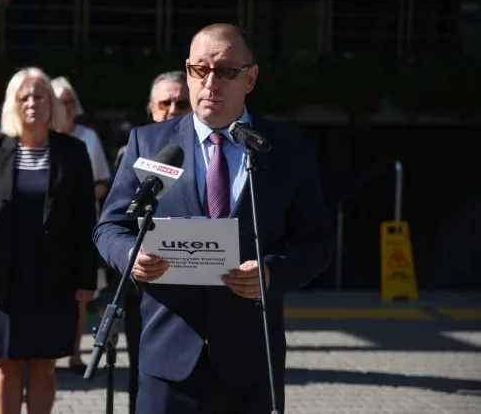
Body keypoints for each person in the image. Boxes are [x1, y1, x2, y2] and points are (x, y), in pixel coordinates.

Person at [94, 23, 332, 414]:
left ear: (250, 78)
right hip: (165, 357)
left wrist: (272, 273)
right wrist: (129, 258)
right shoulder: (150, 143)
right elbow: (110, 226)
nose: (209, 83)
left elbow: (317, 241)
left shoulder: (288, 151)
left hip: (251, 358)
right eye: (198, 69)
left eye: (225, 71)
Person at [0, 67, 98, 414]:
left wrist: (86, 277)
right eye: (25, 97)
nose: (32, 103)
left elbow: (86, 217)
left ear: (51, 103)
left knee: (43, 363)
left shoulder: (73, 151)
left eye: (39, 96)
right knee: (6, 362)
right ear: (12, 104)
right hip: (1, 274)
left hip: (55, 275)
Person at [110, 70, 192, 413]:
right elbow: (115, 222)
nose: (173, 108)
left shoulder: (204, 154)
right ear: (152, 110)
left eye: (181, 102)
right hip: (142, 287)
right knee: (142, 372)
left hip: (194, 278)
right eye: (165, 102)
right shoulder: (134, 150)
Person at [50, 76, 111, 373]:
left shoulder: (87, 137)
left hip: (81, 226)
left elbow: (103, 182)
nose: (67, 109)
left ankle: (75, 353)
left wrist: (82, 198)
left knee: (80, 295)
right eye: (61, 104)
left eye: (70, 103)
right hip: (49, 230)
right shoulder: (38, 138)